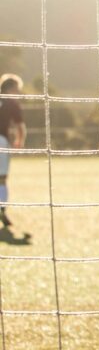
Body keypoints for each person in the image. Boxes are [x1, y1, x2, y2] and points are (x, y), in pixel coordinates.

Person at [0, 74, 26, 235]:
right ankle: (2, 210)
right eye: (17, 89)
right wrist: (20, 141)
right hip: (1, 142)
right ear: (10, 89)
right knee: (1, 178)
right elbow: (20, 126)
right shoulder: (11, 103)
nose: (19, 93)